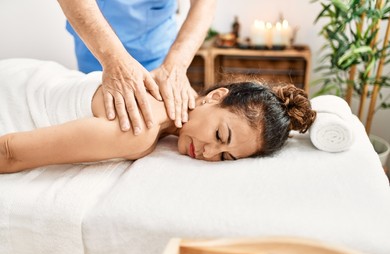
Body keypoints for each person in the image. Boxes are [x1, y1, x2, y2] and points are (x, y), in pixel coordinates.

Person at [0, 59, 316, 173]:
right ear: (216, 97)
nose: (208, 153)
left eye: (226, 158)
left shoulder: (177, 96)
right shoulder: (141, 128)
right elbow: (10, 152)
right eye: (221, 137)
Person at [57, 0, 217, 134]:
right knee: (89, 104)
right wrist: (113, 59)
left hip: (155, 48)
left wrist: (175, 66)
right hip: (95, 43)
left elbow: (204, 3)